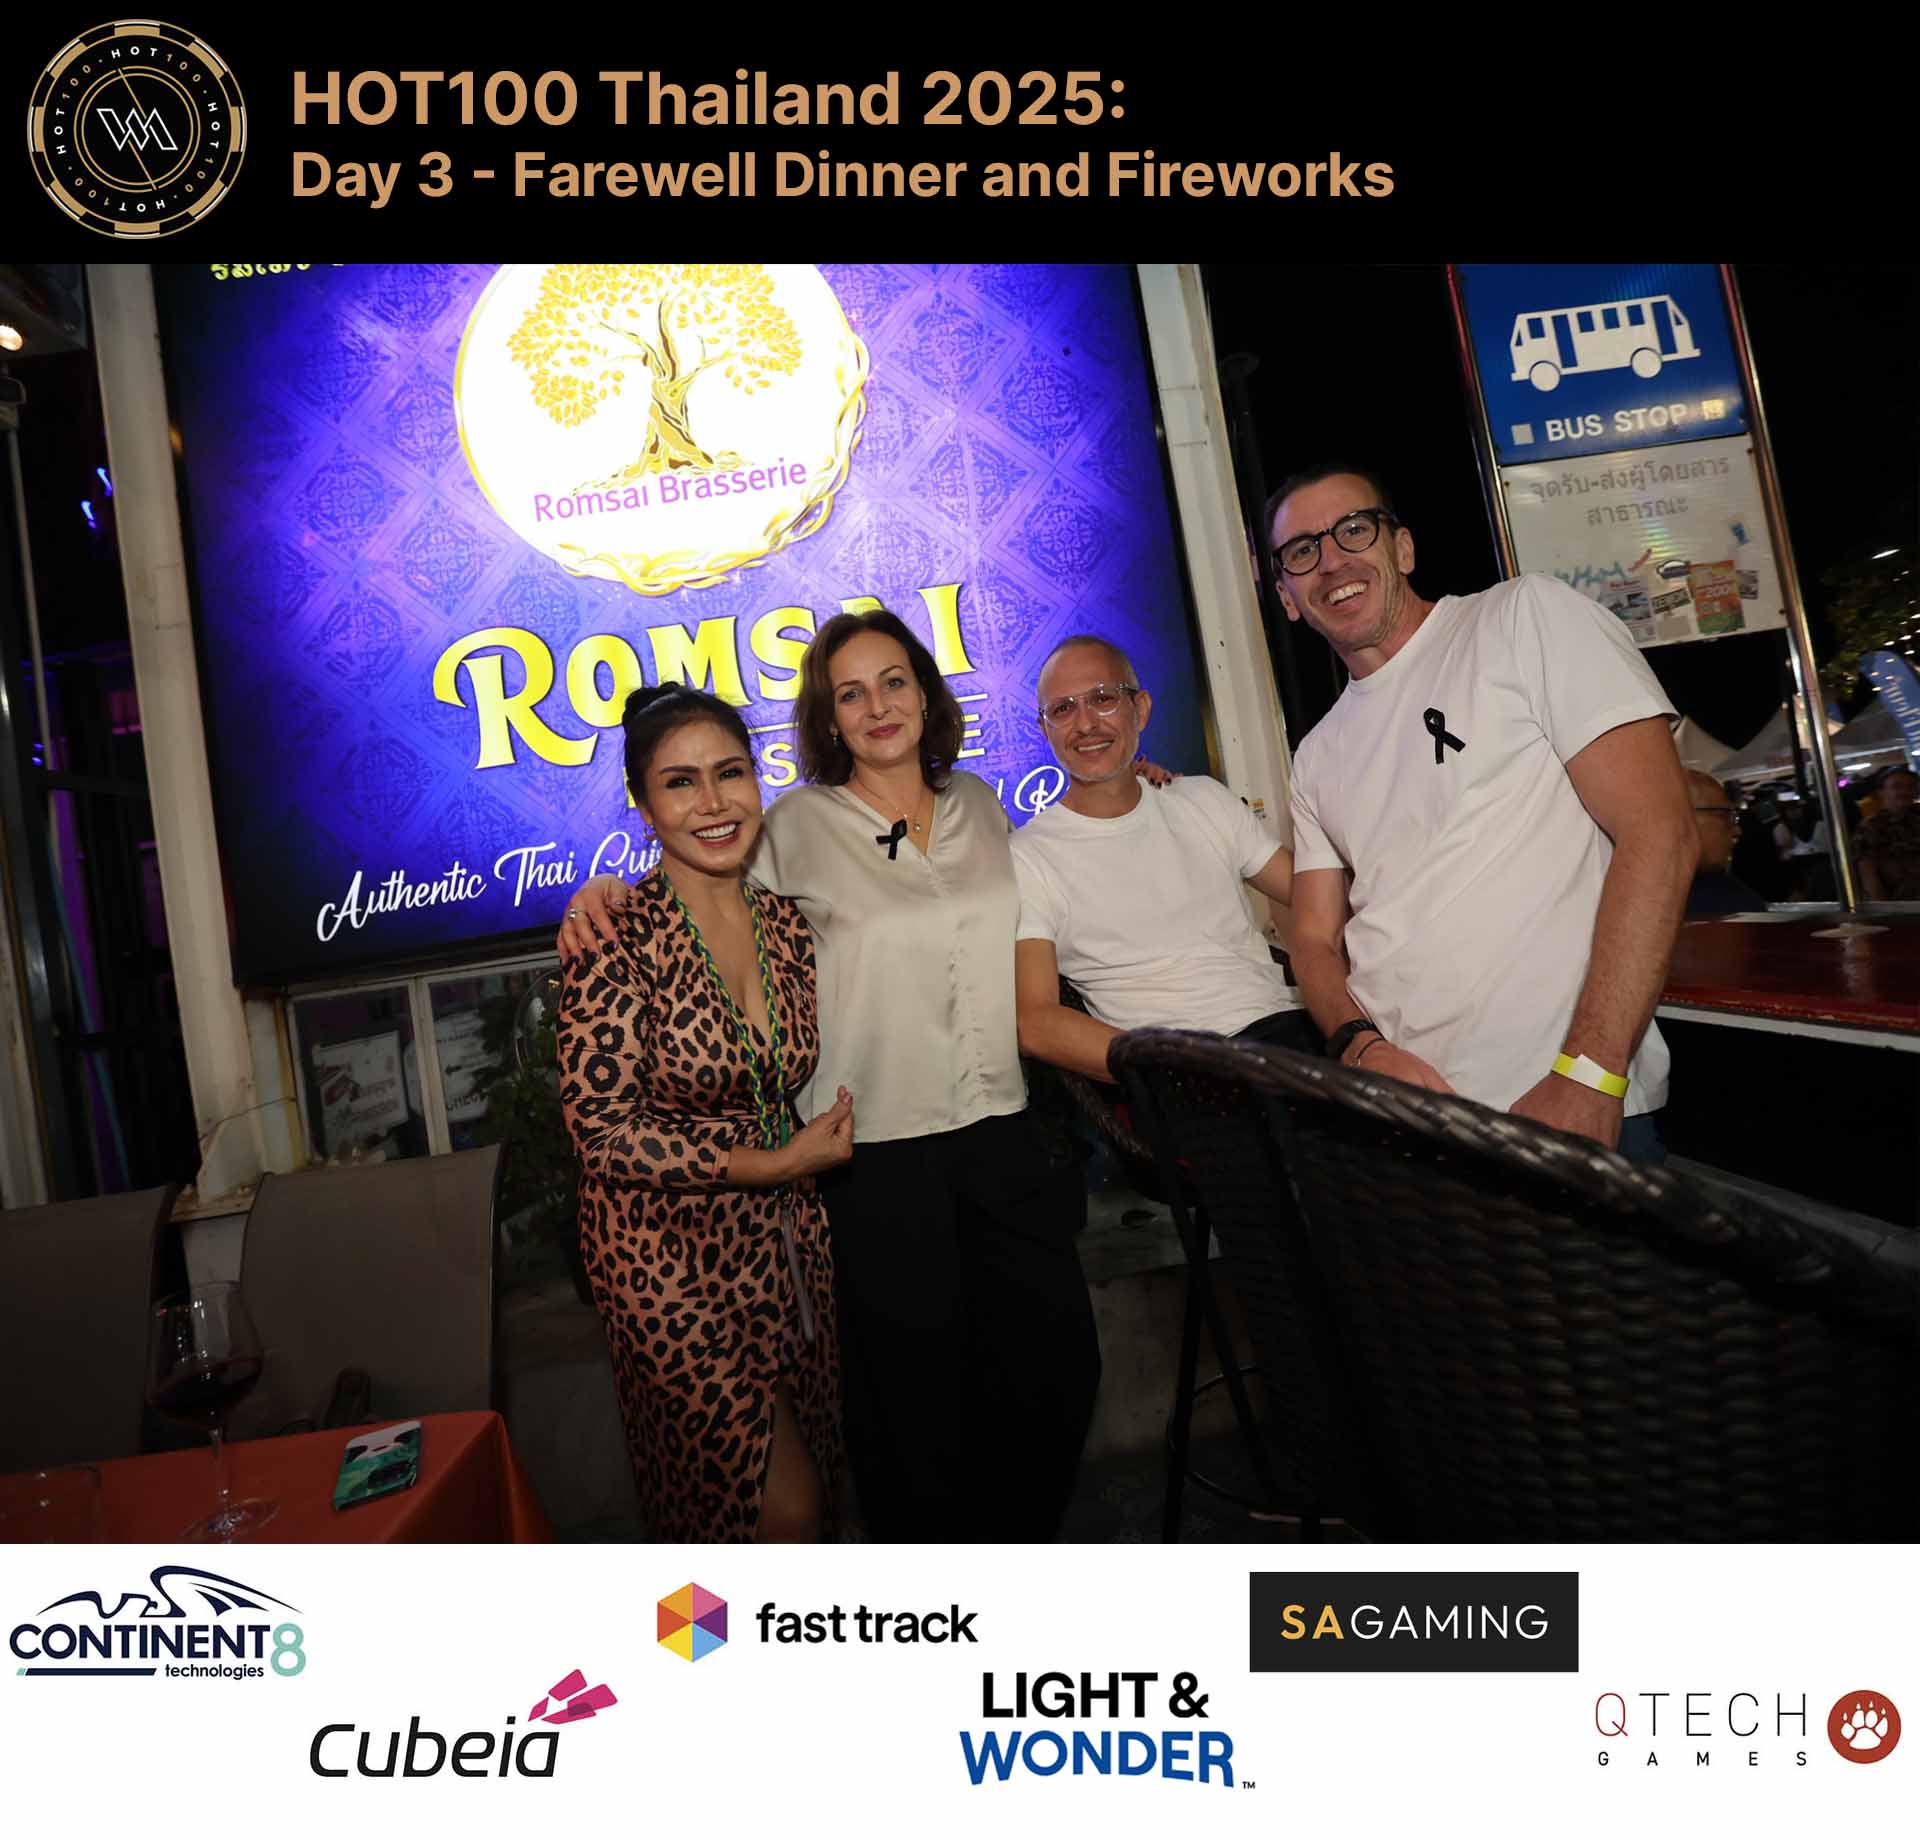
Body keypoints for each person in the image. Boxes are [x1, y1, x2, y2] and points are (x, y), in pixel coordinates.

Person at [560, 613, 1101, 1542]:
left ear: (926, 692)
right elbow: (696, 870)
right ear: (828, 717)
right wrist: (599, 892)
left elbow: (1049, 888)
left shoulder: (980, 803)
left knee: (1057, 1374)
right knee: (910, 1418)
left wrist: (1136, 785)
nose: (877, 706)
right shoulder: (797, 825)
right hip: (875, 1156)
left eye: (893, 681)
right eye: (851, 693)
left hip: (1000, 1133)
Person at [1270, 463, 1697, 1155]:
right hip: (1404, 1120)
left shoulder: (1524, 617)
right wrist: (1361, 1047)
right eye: (1301, 550)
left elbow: (1661, 832)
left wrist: (1591, 1075)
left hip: (1556, 1102)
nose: (1332, 560)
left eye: (1353, 529)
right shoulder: (1316, 754)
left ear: (1402, 548)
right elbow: (1314, 939)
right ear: (1287, 597)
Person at [556, 684, 852, 1543]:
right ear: (643, 805)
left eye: (730, 773)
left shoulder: (785, 924)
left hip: (785, 1243)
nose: (713, 803)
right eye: (680, 783)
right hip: (661, 1259)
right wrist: (776, 1163)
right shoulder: (615, 936)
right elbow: (601, 1132)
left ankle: (714, 1629)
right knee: (778, 1505)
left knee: (788, 1492)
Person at [1011, 633, 1310, 1080]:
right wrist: (1159, 1071)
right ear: (1044, 730)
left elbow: (1318, 900)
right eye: (1063, 709)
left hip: (1284, 1034)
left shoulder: (1203, 800)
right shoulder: (1029, 856)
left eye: (1102, 698)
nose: (1085, 723)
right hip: (1177, 1069)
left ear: (1141, 709)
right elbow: (1035, 1023)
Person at [1683, 770, 1767, 917]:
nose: (1737, 830)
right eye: (1726, 815)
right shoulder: (1729, 903)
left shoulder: (1724, 891)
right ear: (1682, 817)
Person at [1858, 765, 1920, 900]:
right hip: (1901, 902)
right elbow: (1869, 875)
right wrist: (1884, 908)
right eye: (1896, 787)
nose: (1904, 791)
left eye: (1910, 787)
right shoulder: (1872, 826)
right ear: (1881, 793)